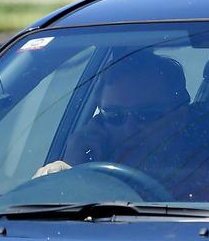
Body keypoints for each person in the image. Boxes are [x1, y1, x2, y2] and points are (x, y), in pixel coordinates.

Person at [33, 51, 190, 184]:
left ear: (180, 116)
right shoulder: (76, 174)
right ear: (98, 121)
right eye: (114, 115)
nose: (129, 128)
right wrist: (73, 167)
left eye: (147, 114)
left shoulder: (208, 171)